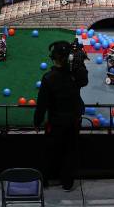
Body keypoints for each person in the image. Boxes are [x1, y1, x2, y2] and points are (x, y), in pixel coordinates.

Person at [34, 40, 88, 191]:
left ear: (54, 57)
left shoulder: (48, 78)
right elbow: (84, 81)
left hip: (56, 121)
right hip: (73, 121)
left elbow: (42, 104)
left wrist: (37, 122)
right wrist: (80, 64)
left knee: (50, 151)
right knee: (70, 151)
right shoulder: (75, 76)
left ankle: (45, 180)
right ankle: (67, 182)